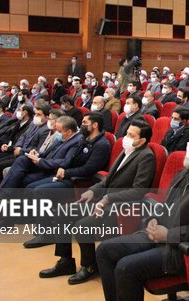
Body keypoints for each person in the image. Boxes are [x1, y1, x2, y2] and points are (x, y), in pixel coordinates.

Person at [96, 125, 189, 301]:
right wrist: (152, 219)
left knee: (125, 267)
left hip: (179, 248)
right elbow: (166, 205)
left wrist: (168, 235)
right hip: (158, 235)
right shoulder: (185, 173)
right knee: (104, 250)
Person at [39, 120, 155, 285]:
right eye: (127, 133)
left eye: (131, 135)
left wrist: (108, 198)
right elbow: (107, 180)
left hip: (120, 207)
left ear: (142, 140)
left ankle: (89, 266)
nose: (126, 137)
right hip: (104, 201)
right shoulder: (127, 150)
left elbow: (138, 191)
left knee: (81, 226)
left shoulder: (146, 156)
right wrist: (92, 191)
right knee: (62, 213)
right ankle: (65, 261)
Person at [22, 112, 112, 248]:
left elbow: (89, 169)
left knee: (39, 192)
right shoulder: (84, 138)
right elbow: (72, 159)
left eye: (85, 123)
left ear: (95, 125)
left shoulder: (101, 144)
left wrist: (66, 172)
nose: (81, 125)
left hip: (79, 182)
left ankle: (47, 235)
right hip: (67, 176)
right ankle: (45, 227)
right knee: (30, 187)